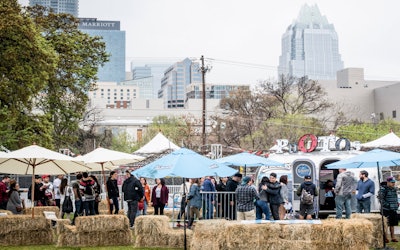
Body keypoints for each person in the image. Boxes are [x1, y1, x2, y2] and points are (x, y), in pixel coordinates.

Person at [378, 176, 399, 243]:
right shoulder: (383, 189)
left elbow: (395, 198)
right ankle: (385, 238)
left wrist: (396, 204)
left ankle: (393, 237)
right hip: (386, 210)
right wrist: (388, 205)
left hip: (393, 209)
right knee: (385, 224)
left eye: (394, 182)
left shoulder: (394, 189)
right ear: (388, 182)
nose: (393, 183)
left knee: (392, 224)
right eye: (392, 182)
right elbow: (381, 199)